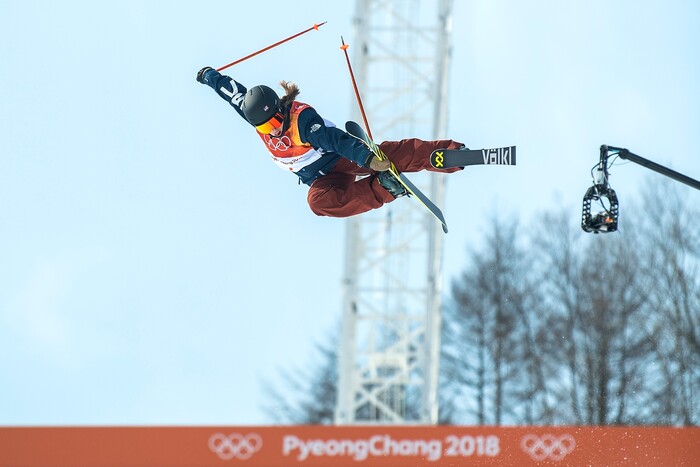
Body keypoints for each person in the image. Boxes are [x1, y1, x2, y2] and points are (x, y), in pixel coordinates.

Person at [196, 66, 464, 218]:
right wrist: (210, 77)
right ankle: (385, 188)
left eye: (274, 124)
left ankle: (449, 154)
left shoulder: (303, 122)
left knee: (388, 156)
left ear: (279, 109)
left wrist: (369, 159)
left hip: (340, 159)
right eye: (264, 128)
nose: (272, 132)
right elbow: (233, 94)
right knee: (317, 203)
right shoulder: (259, 121)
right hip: (322, 179)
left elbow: (337, 140)